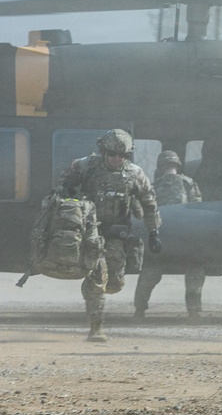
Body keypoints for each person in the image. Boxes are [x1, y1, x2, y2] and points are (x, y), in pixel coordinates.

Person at [55, 129, 161, 342]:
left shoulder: (135, 174)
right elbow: (61, 189)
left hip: (116, 235)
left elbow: (150, 204)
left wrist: (154, 231)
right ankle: (96, 327)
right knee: (97, 276)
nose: (116, 158)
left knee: (115, 283)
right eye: (112, 153)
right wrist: (68, 197)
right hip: (90, 232)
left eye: (121, 155)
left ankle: (93, 289)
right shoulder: (85, 166)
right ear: (103, 151)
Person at [133, 150, 206, 318]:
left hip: (162, 241)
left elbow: (147, 211)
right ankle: (194, 312)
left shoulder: (153, 186)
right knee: (195, 271)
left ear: (160, 166)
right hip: (185, 241)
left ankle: (139, 310)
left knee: (150, 271)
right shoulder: (189, 183)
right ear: (177, 165)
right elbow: (197, 210)